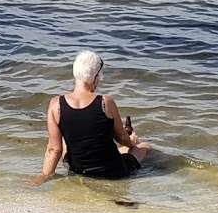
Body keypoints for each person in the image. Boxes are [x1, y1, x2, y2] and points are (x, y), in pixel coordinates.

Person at [29, 50, 150, 185]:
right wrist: (132, 142)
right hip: (112, 171)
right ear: (95, 77)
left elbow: (54, 150)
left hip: (79, 170)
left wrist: (44, 175)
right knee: (143, 146)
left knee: (64, 143)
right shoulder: (106, 102)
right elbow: (121, 137)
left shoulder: (55, 105)